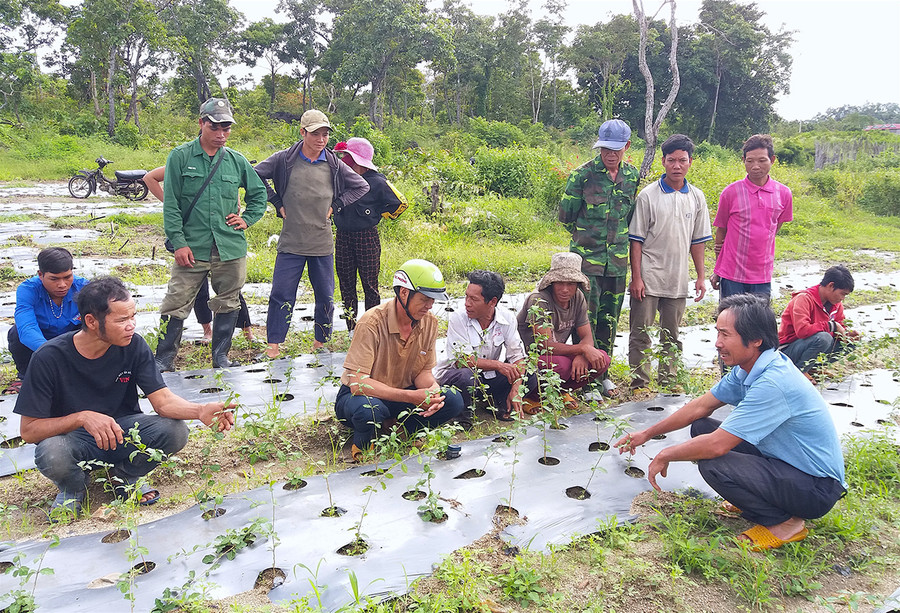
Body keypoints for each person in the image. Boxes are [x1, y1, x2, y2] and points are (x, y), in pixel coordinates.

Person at [614, 294, 847, 551]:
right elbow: (700, 406)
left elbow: (716, 446)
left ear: (756, 339)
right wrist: (647, 433)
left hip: (814, 488)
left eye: (726, 335)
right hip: (787, 465)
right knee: (701, 426)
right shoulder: (748, 367)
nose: (718, 343)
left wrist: (666, 454)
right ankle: (759, 496)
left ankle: (785, 523)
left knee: (714, 464)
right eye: (717, 333)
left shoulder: (774, 383)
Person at [13, 277, 235, 518]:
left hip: (123, 433)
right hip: (74, 441)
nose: (131, 325)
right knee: (52, 452)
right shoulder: (49, 357)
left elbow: (163, 401)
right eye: (121, 320)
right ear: (91, 321)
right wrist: (82, 418)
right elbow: (29, 431)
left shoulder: (134, 346)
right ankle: (72, 488)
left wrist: (199, 411)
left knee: (175, 431)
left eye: (133, 317)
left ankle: (126, 475)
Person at [154, 98, 267, 370]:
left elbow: (259, 194)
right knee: (176, 301)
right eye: (215, 127)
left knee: (228, 301)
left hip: (229, 246)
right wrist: (178, 243)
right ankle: (164, 358)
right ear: (201, 123)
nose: (221, 134)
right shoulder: (180, 157)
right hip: (192, 246)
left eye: (226, 128)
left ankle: (221, 356)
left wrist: (247, 219)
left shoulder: (236, 161)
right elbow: (171, 206)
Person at [254, 110, 369, 359]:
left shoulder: (334, 164)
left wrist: (335, 207)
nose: (321, 139)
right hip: (291, 241)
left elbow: (361, 185)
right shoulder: (284, 160)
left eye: (325, 134)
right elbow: (253, 175)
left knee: (325, 296)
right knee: (281, 293)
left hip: (321, 241)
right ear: (302, 132)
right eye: (315, 133)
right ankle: (273, 346)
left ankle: (320, 343)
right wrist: (275, 201)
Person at [334, 259, 463, 461]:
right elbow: (358, 384)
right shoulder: (371, 322)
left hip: (402, 394)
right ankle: (362, 444)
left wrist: (433, 393)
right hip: (365, 396)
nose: (430, 306)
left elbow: (423, 373)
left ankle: (405, 429)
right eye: (424, 299)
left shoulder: (429, 323)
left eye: (433, 300)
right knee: (369, 410)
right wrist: (412, 397)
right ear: (404, 293)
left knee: (453, 399)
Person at [559, 119, 639, 396]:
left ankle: (602, 373)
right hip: (586, 264)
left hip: (617, 263)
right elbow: (566, 216)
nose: (610, 154)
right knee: (584, 320)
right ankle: (583, 381)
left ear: (627, 147)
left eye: (616, 149)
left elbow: (628, 217)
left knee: (610, 320)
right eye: (605, 148)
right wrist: (587, 239)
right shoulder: (582, 176)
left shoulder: (632, 176)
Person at [628, 135, 712, 390]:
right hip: (649, 276)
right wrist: (637, 278)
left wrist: (700, 276)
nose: (677, 165)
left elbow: (698, 241)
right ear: (663, 161)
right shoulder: (648, 196)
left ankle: (668, 379)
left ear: (690, 162)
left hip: (677, 278)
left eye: (682, 160)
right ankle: (639, 382)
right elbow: (636, 240)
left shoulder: (696, 197)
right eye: (672, 160)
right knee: (641, 332)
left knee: (671, 334)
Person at [145, 165, 253, 345]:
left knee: (230, 290)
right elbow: (150, 178)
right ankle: (207, 331)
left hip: (222, 237)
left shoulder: (228, 160)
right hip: (192, 237)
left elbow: (246, 191)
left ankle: (247, 331)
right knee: (195, 288)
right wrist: (171, 203)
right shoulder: (183, 161)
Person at [435, 270, 537, 427]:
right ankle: (463, 416)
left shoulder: (507, 318)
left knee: (527, 373)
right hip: (456, 376)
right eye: (466, 296)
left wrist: (516, 387)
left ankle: (500, 404)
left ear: (492, 302)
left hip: (486, 378)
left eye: (474, 299)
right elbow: (462, 361)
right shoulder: (458, 318)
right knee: (466, 376)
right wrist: (498, 365)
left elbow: (518, 356)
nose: (467, 303)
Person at [517, 252, 611, 411]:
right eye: (559, 283)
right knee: (561, 366)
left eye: (571, 284)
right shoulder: (539, 299)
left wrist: (583, 354)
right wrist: (581, 348)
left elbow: (587, 335)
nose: (565, 289)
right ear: (551, 282)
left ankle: (559, 391)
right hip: (527, 360)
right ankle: (530, 396)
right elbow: (544, 346)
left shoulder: (578, 297)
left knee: (601, 359)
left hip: (555, 354)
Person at [333, 137, 408, 332]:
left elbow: (401, 203)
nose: (344, 162)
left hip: (366, 237)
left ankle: (372, 327)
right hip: (343, 236)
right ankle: (351, 326)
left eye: (348, 158)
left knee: (370, 283)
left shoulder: (378, 182)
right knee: (346, 281)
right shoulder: (341, 180)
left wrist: (377, 215)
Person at [711, 134, 793, 299]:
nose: (756, 166)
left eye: (762, 160)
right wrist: (717, 269)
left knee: (758, 322)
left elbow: (775, 228)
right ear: (743, 160)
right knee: (730, 320)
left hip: (762, 274)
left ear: (772, 159)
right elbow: (721, 231)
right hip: (732, 273)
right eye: (750, 161)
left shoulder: (784, 194)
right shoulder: (730, 193)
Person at [5, 248, 88, 394]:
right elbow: (27, 329)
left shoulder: (84, 288)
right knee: (16, 333)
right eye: (54, 279)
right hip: (40, 343)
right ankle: (26, 377)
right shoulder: (28, 289)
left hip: (73, 341)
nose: (62, 285)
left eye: (67, 277)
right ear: (40, 275)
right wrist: (52, 353)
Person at [779, 265, 859, 381]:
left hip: (810, 346)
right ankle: (799, 371)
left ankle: (812, 367)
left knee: (852, 342)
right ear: (831, 286)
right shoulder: (803, 299)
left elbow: (840, 325)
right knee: (824, 338)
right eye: (842, 293)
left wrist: (847, 334)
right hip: (788, 350)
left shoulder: (836, 304)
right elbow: (802, 331)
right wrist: (832, 326)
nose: (843, 298)